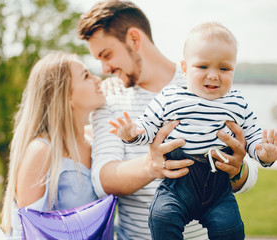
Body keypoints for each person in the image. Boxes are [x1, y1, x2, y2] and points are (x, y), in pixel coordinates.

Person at [78, 1, 260, 239]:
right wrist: (150, 166)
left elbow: (250, 172)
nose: (105, 68)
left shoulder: (205, 80)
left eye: (107, 55)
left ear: (134, 39)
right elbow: (103, 179)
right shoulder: (109, 98)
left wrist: (237, 170)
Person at [109, 22, 277, 239]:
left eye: (224, 68)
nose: (213, 75)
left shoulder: (237, 102)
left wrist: (264, 153)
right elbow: (148, 126)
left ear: (234, 70)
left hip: (218, 188)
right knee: (162, 217)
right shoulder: (170, 96)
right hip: (177, 186)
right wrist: (132, 133)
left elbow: (252, 136)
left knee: (230, 228)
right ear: (184, 69)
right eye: (203, 67)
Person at [0, 51, 106, 239]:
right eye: (86, 76)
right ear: (66, 97)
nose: (98, 79)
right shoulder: (42, 151)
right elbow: (27, 232)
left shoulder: (95, 140)